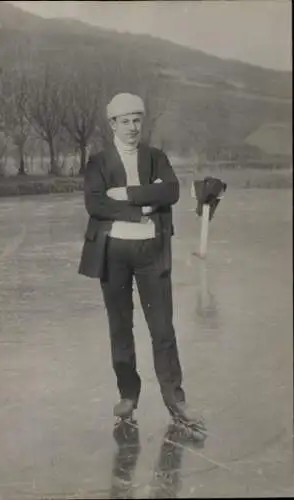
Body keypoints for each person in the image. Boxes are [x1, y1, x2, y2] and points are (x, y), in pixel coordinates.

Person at [78, 93, 205, 433]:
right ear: (112, 125)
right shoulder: (98, 162)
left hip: (152, 252)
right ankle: (128, 396)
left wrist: (128, 194)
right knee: (120, 327)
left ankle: (175, 399)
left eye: (138, 119)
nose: (133, 127)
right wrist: (142, 208)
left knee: (162, 328)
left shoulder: (156, 157)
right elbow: (95, 204)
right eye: (125, 121)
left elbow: (172, 191)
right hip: (113, 252)